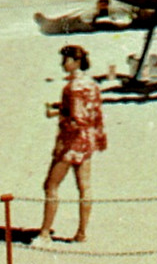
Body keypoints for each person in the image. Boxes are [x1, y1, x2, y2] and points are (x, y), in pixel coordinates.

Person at [40, 44, 108, 243]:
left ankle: (45, 232)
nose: (63, 63)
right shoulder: (92, 84)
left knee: (51, 185)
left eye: (66, 60)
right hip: (88, 141)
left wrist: (58, 114)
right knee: (84, 187)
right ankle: (81, 233)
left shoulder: (72, 87)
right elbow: (91, 113)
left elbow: (77, 117)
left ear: (75, 61)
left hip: (71, 143)